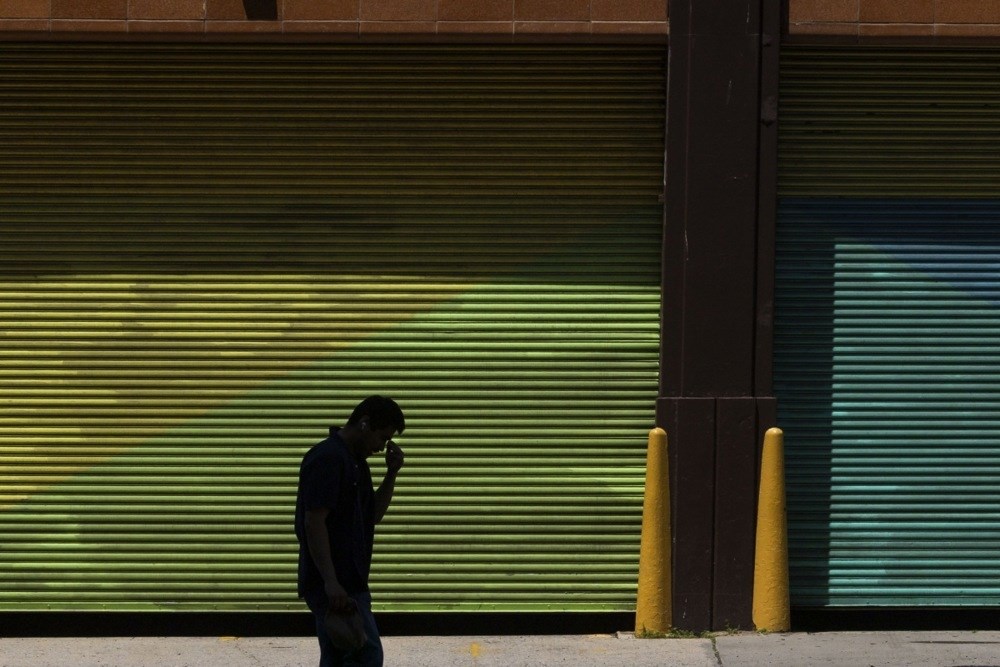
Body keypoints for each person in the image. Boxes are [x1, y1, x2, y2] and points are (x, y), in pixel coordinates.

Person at [294, 396, 406, 667]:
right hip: (336, 584)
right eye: (382, 438)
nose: (381, 447)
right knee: (366, 653)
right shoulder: (328, 459)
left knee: (338, 656)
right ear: (364, 423)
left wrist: (391, 473)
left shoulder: (356, 463)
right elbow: (314, 523)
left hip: (348, 581)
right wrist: (331, 582)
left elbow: (373, 515)